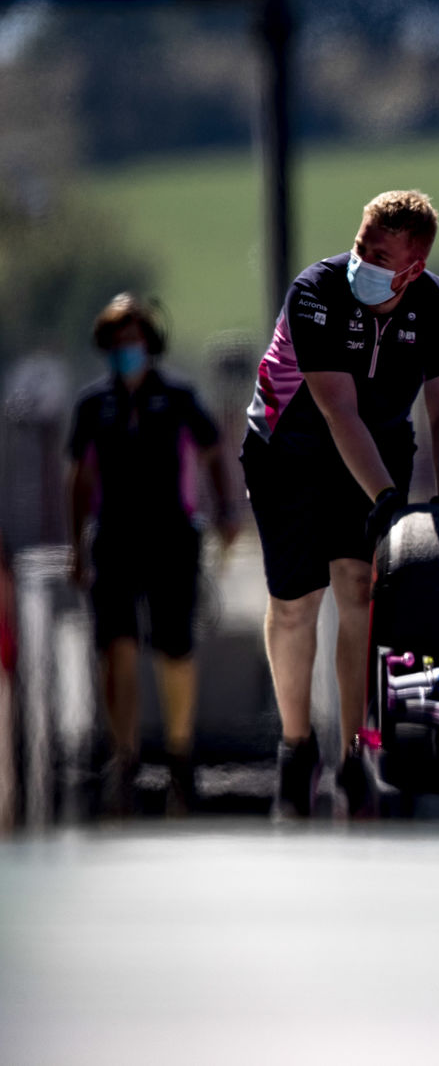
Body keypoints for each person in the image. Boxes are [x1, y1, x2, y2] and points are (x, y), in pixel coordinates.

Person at [241, 189, 439, 816]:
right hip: (289, 446)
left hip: (381, 440)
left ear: (413, 269)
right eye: (359, 246)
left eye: (379, 256)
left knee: (358, 589)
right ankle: (297, 747)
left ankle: (355, 754)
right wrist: (386, 498)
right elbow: (336, 409)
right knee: (297, 603)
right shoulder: (315, 291)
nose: (361, 262)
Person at [66, 293, 239, 814]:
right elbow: (79, 478)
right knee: (115, 647)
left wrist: (226, 511)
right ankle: (125, 757)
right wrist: (77, 548)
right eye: (118, 342)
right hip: (115, 537)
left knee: (174, 646)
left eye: (134, 340)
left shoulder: (178, 397)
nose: (127, 350)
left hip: (170, 536)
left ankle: (180, 758)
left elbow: (213, 452)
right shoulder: (93, 406)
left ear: (150, 343)